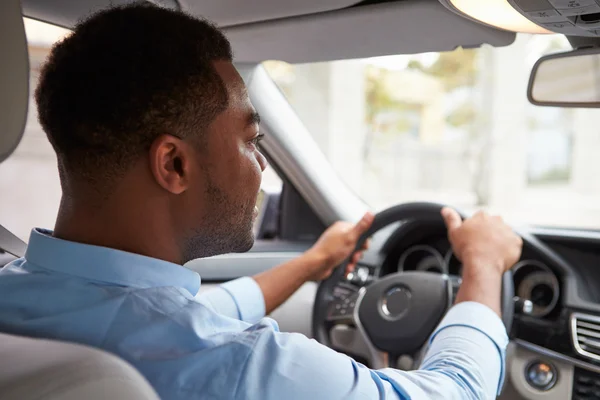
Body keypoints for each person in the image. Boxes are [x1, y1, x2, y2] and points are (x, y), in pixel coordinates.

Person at [0, 4, 522, 399]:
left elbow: (174, 316)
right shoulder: (240, 368)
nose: (263, 167)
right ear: (174, 165)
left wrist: (312, 263)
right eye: (250, 142)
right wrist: (483, 263)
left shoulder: (17, 288)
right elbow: (456, 391)